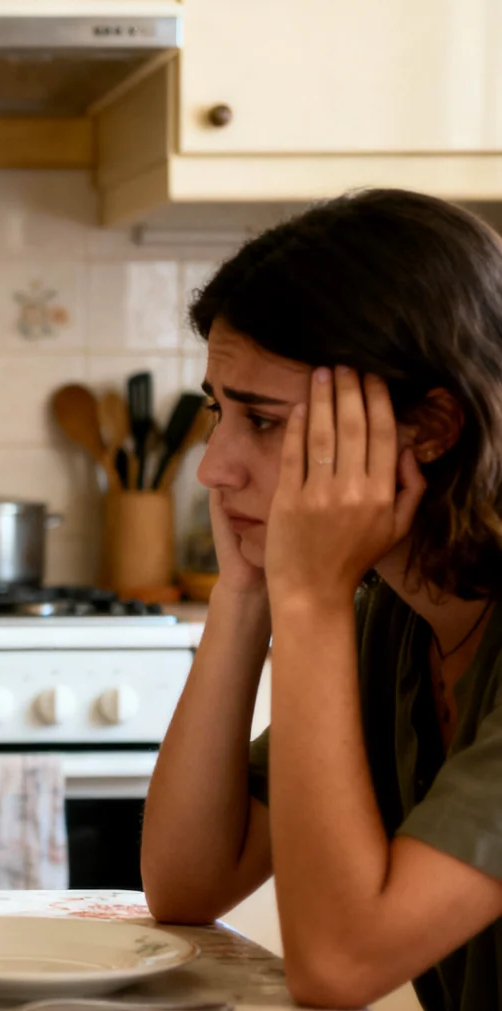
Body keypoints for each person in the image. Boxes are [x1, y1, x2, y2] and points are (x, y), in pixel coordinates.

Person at [141, 189, 502, 1010]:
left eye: (264, 422)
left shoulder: (346, 609)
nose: (213, 467)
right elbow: (187, 883)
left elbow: (336, 968)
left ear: (431, 426)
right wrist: (246, 594)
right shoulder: (399, 620)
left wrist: (308, 599)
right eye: (217, 412)